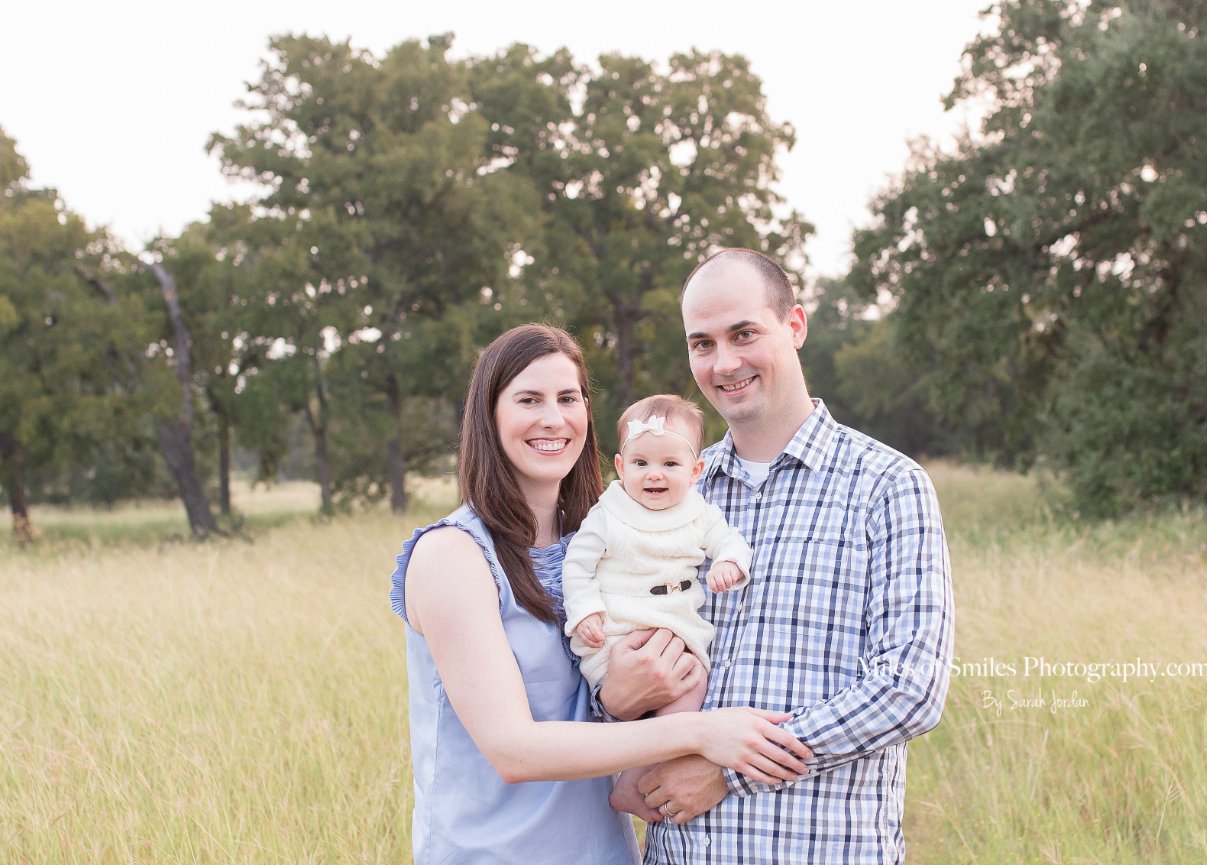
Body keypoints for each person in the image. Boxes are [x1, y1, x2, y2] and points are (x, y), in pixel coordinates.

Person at [388, 323, 813, 865]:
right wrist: (703, 732)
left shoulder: (595, 543)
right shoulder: (454, 555)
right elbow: (513, 750)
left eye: (569, 398)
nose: (553, 418)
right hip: (492, 853)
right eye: (528, 399)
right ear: (489, 416)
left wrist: (624, 697)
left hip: (602, 852)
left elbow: (602, 708)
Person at [599, 250, 955, 864]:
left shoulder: (886, 484)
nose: (725, 363)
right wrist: (616, 700)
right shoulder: (673, 494)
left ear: (794, 326)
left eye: (744, 334)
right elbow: (625, 666)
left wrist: (728, 767)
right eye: (702, 344)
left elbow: (909, 687)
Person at [562, 394, 753, 817]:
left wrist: (728, 563)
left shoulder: (699, 512)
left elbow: (730, 543)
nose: (655, 475)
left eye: (670, 464)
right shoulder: (609, 512)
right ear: (620, 466)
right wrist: (585, 611)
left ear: (696, 470)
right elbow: (578, 563)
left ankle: (636, 780)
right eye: (641, 463)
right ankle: (632, 775)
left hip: (676, 627)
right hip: (616, 631)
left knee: (691, 686)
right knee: (646, 696)